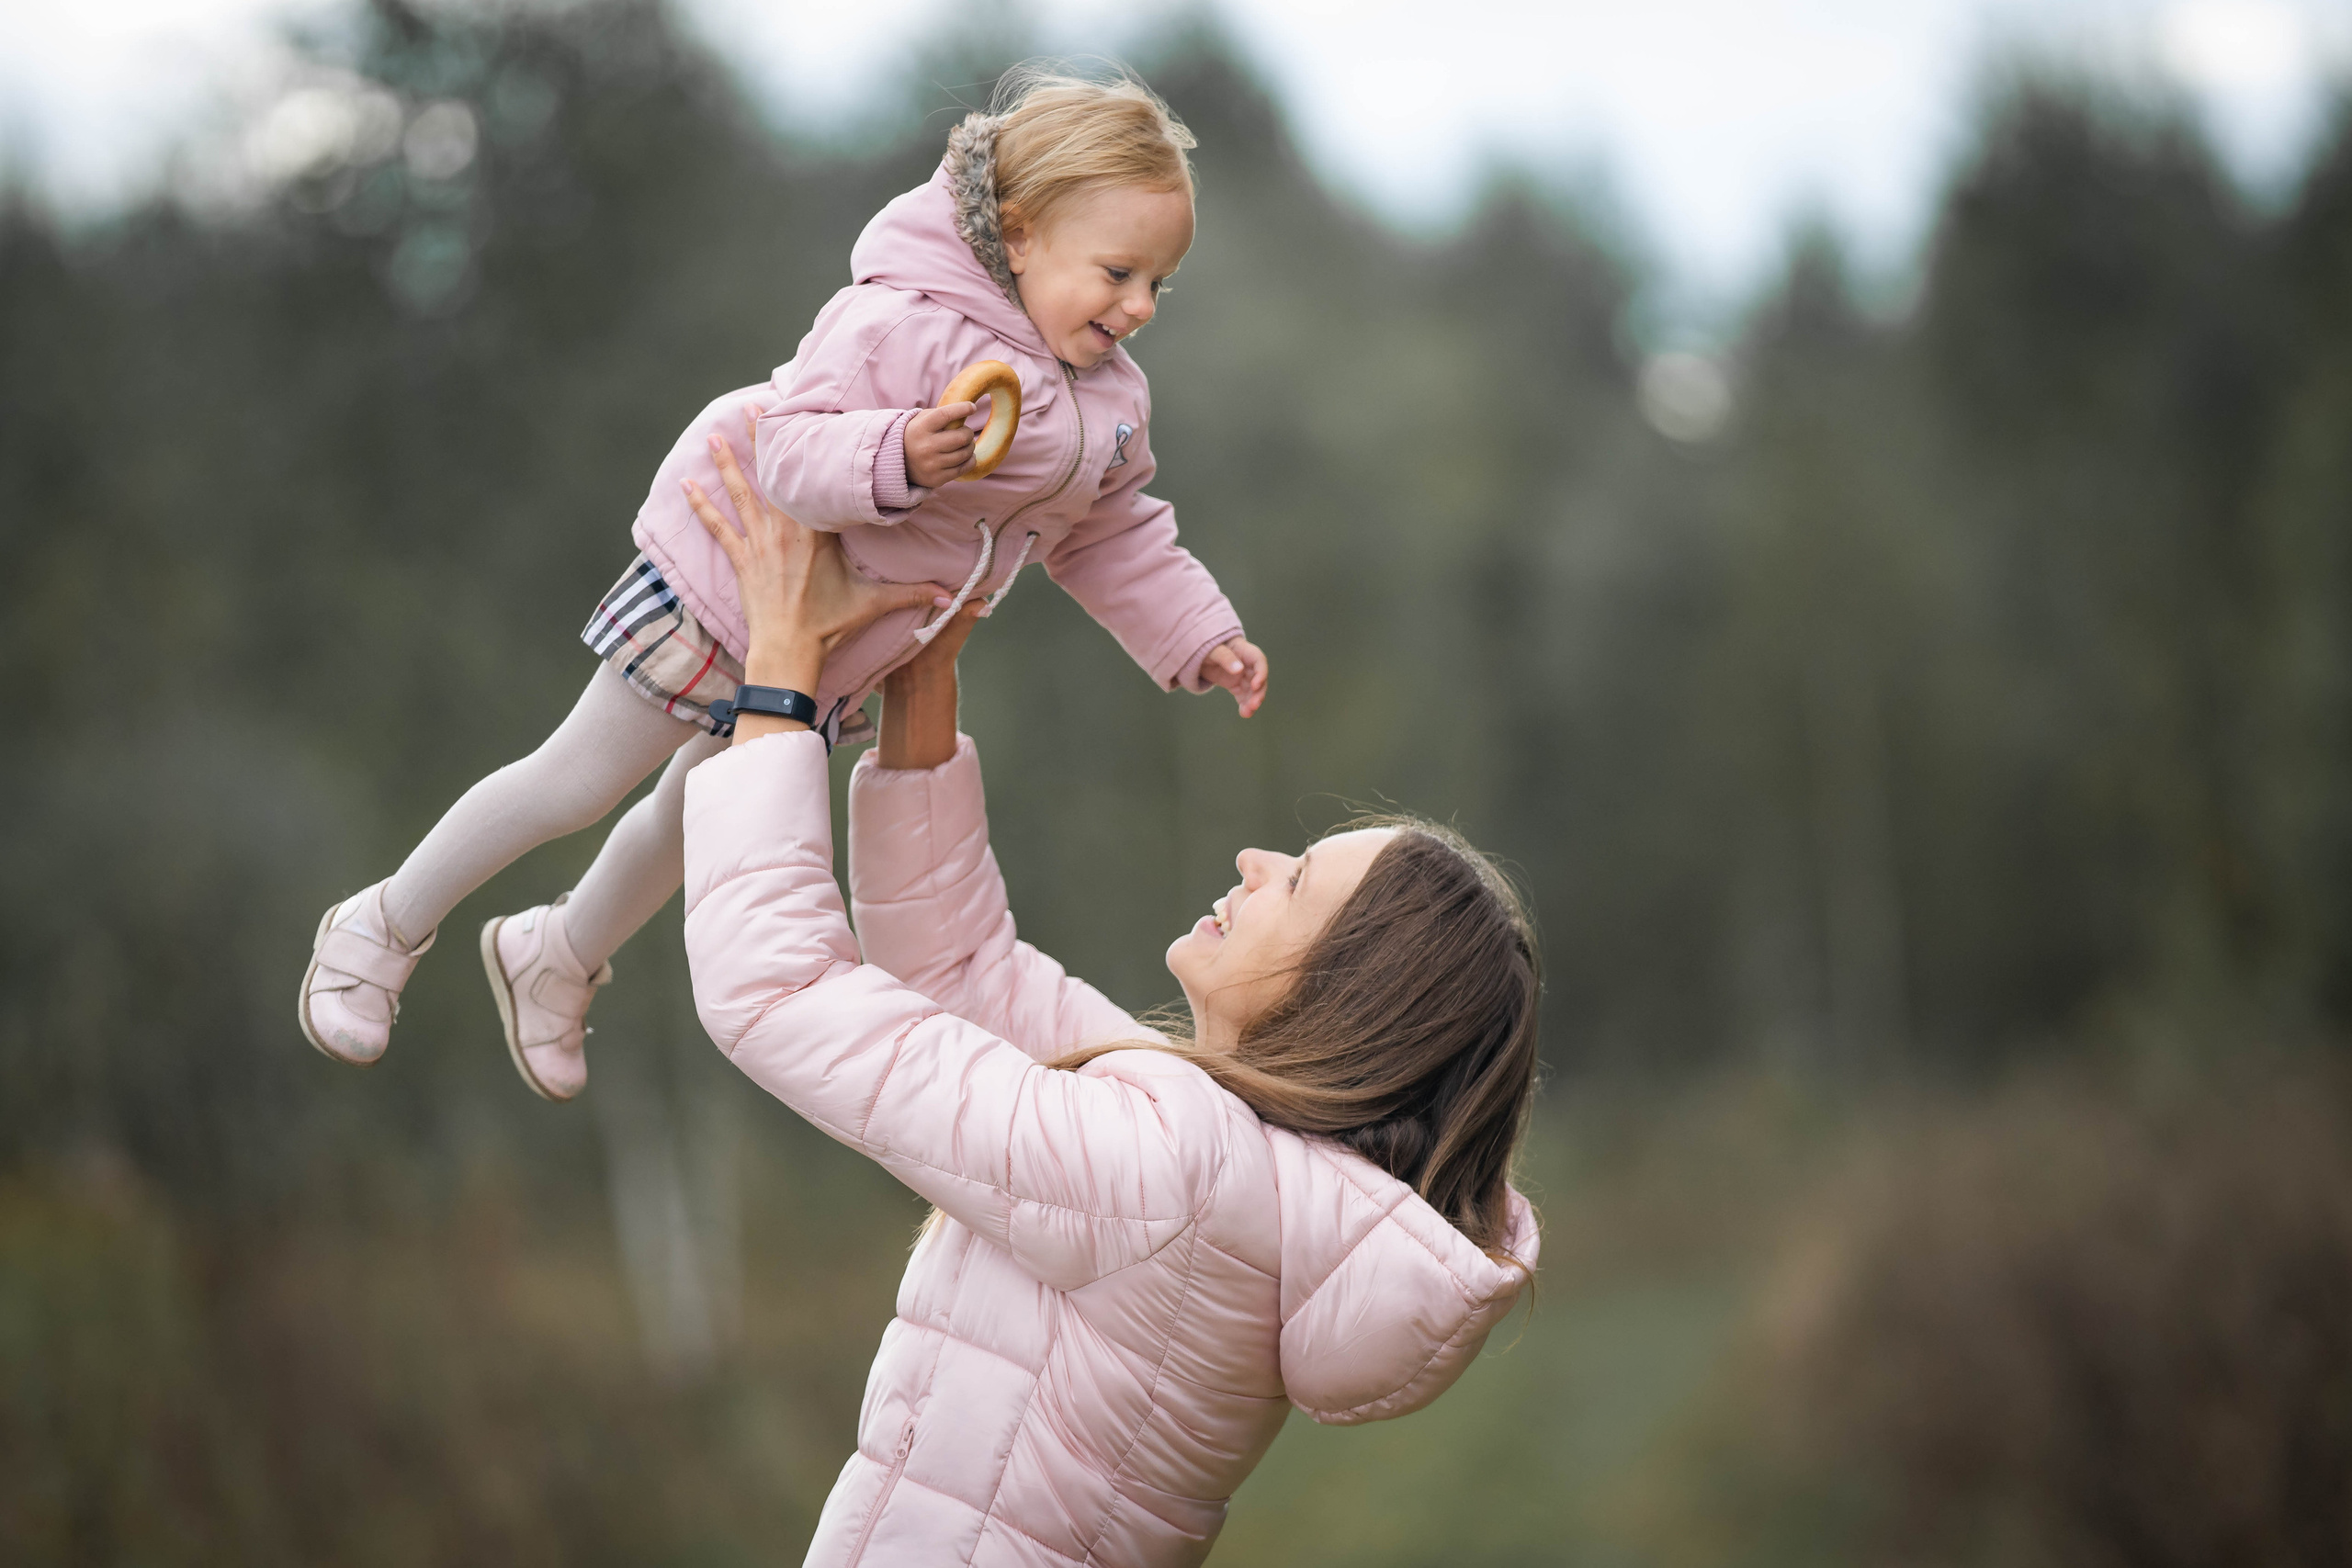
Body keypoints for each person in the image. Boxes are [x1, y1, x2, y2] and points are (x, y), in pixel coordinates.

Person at [298, 64, 1268, 1100]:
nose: (1139, 305)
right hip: (729, 586)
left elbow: (1110, 531)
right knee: (579, 779)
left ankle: (558, 954)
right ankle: (382, 922)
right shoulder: (903, 321)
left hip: (836, 645)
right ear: (1021, 234)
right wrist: (898, 453)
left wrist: (1193, 633)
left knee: (689, 821)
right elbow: (787, 447)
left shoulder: (1108, 404)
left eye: (1158, 284)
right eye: (1118, 271)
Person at [677, 430, 1539, 1565]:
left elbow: (773, 984)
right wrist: (924, 673)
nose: (1251, 863)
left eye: (1300, 882)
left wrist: (780, 666)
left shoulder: (1168, 1174)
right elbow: (961, 980)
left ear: (1347, 999)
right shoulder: (1231, 1180)